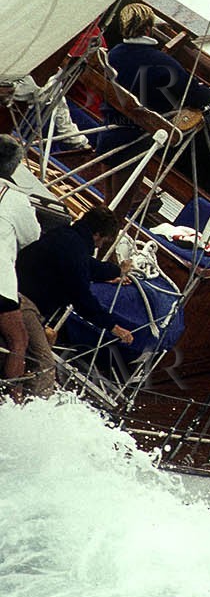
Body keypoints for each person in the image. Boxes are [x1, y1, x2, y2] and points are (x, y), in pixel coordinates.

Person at [17, 206, 135, 353]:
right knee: (43, 362)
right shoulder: (77, 254)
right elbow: (82, 299)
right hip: (23, 305)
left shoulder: (63, 234)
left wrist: (116, 271)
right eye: (103, 241)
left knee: (48, 336)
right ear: (97, 234)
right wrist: (114, 327)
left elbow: (88, 265)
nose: (99, 246)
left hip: (13, 288)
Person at [105, 2, 210, 117]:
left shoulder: (113, 53)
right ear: (148, 29)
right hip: (145, 130)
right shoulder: (163, 63)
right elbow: (195, 95)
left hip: (111, 118)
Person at [0, 134, 48, 401]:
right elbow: (32, 236)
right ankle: (8, 399)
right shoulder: (15, 198)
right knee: (18, 340)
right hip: (1, 282)